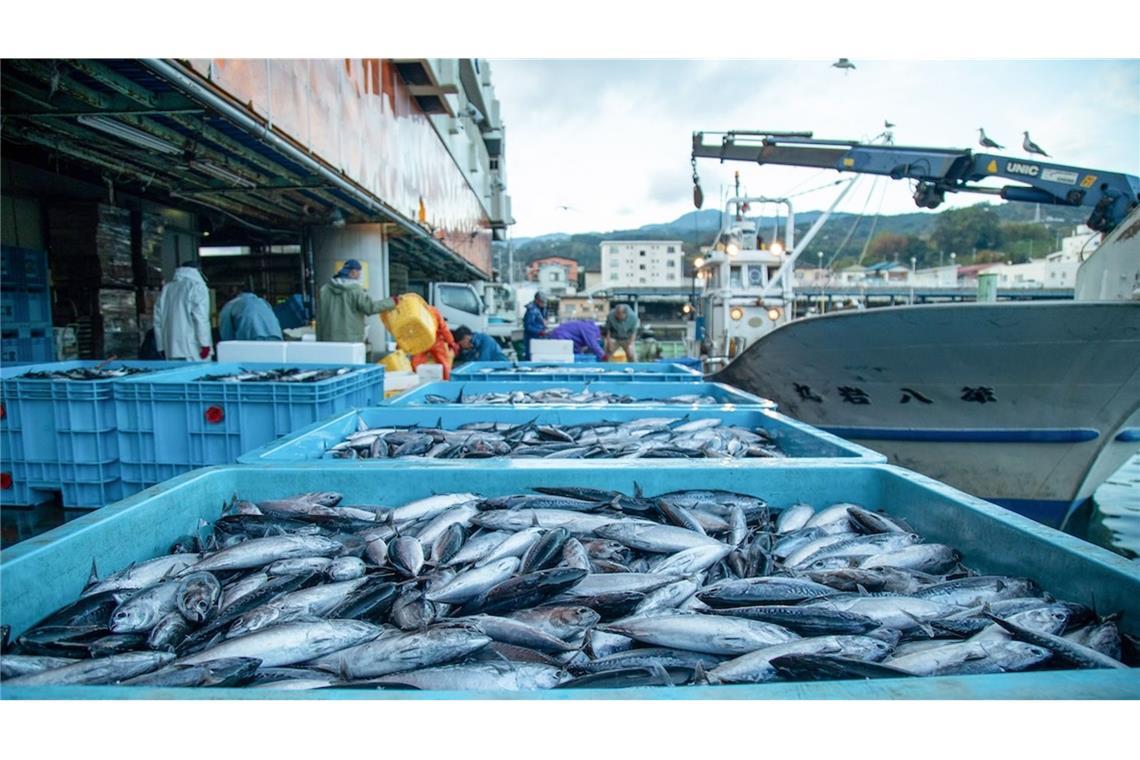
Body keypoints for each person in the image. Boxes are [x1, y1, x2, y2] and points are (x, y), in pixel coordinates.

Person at [316, 259, 397, 343]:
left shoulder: (324, 289)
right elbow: (369, 308)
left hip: (327, 339)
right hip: (350, 340)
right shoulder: (355, 291)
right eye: (359, 272)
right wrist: (392, 301)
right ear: (353, 272)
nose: (360, 276)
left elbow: (319, 316)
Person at [154, 261, 212, 361]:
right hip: (192, 348)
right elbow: (200, 318)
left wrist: (161, 346)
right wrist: (205, 343)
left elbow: (157, 320)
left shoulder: (167, 288)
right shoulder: (196, 286)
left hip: (170, 348)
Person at [410, 305, 459, 380]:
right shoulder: (433, 311)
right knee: (444, 363)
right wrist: (451, 342)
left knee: (416, 363)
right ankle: (447, 382)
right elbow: (444, 328)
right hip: (434, 341)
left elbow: (408, 332)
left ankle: (416, 383)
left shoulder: (412, 313)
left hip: (422, 342)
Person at [218, 286, 284, 342]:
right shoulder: (263, 302)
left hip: (252, 339)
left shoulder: (230, 305)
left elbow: (226, 335)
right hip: (276, 337)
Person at [522, 291, 548, 361]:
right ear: (537, 300)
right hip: (531, 338)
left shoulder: (541, 309)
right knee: (531, 357)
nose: (544, 304)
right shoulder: (531, 311)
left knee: (539, 356)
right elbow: (528, 326)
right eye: (542, 302)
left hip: (539, 338)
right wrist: (539, 332)